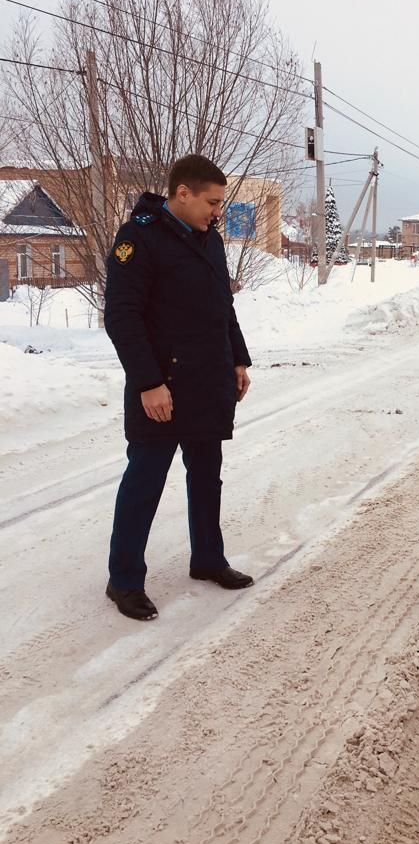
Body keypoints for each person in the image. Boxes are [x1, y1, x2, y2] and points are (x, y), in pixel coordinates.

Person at [103, 154, 254, 621]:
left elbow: (221, 306)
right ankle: (124, 580)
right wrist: (149, 383)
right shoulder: (139, 238)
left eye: (221, 204)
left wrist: (238, 357)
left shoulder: (209, 240)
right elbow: (122, 316)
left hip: (208, 382)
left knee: (207, 476)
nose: (217, 212)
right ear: (182, 193)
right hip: (162, 386)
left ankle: (208, 559)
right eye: (212, 202)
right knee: (145, 482)